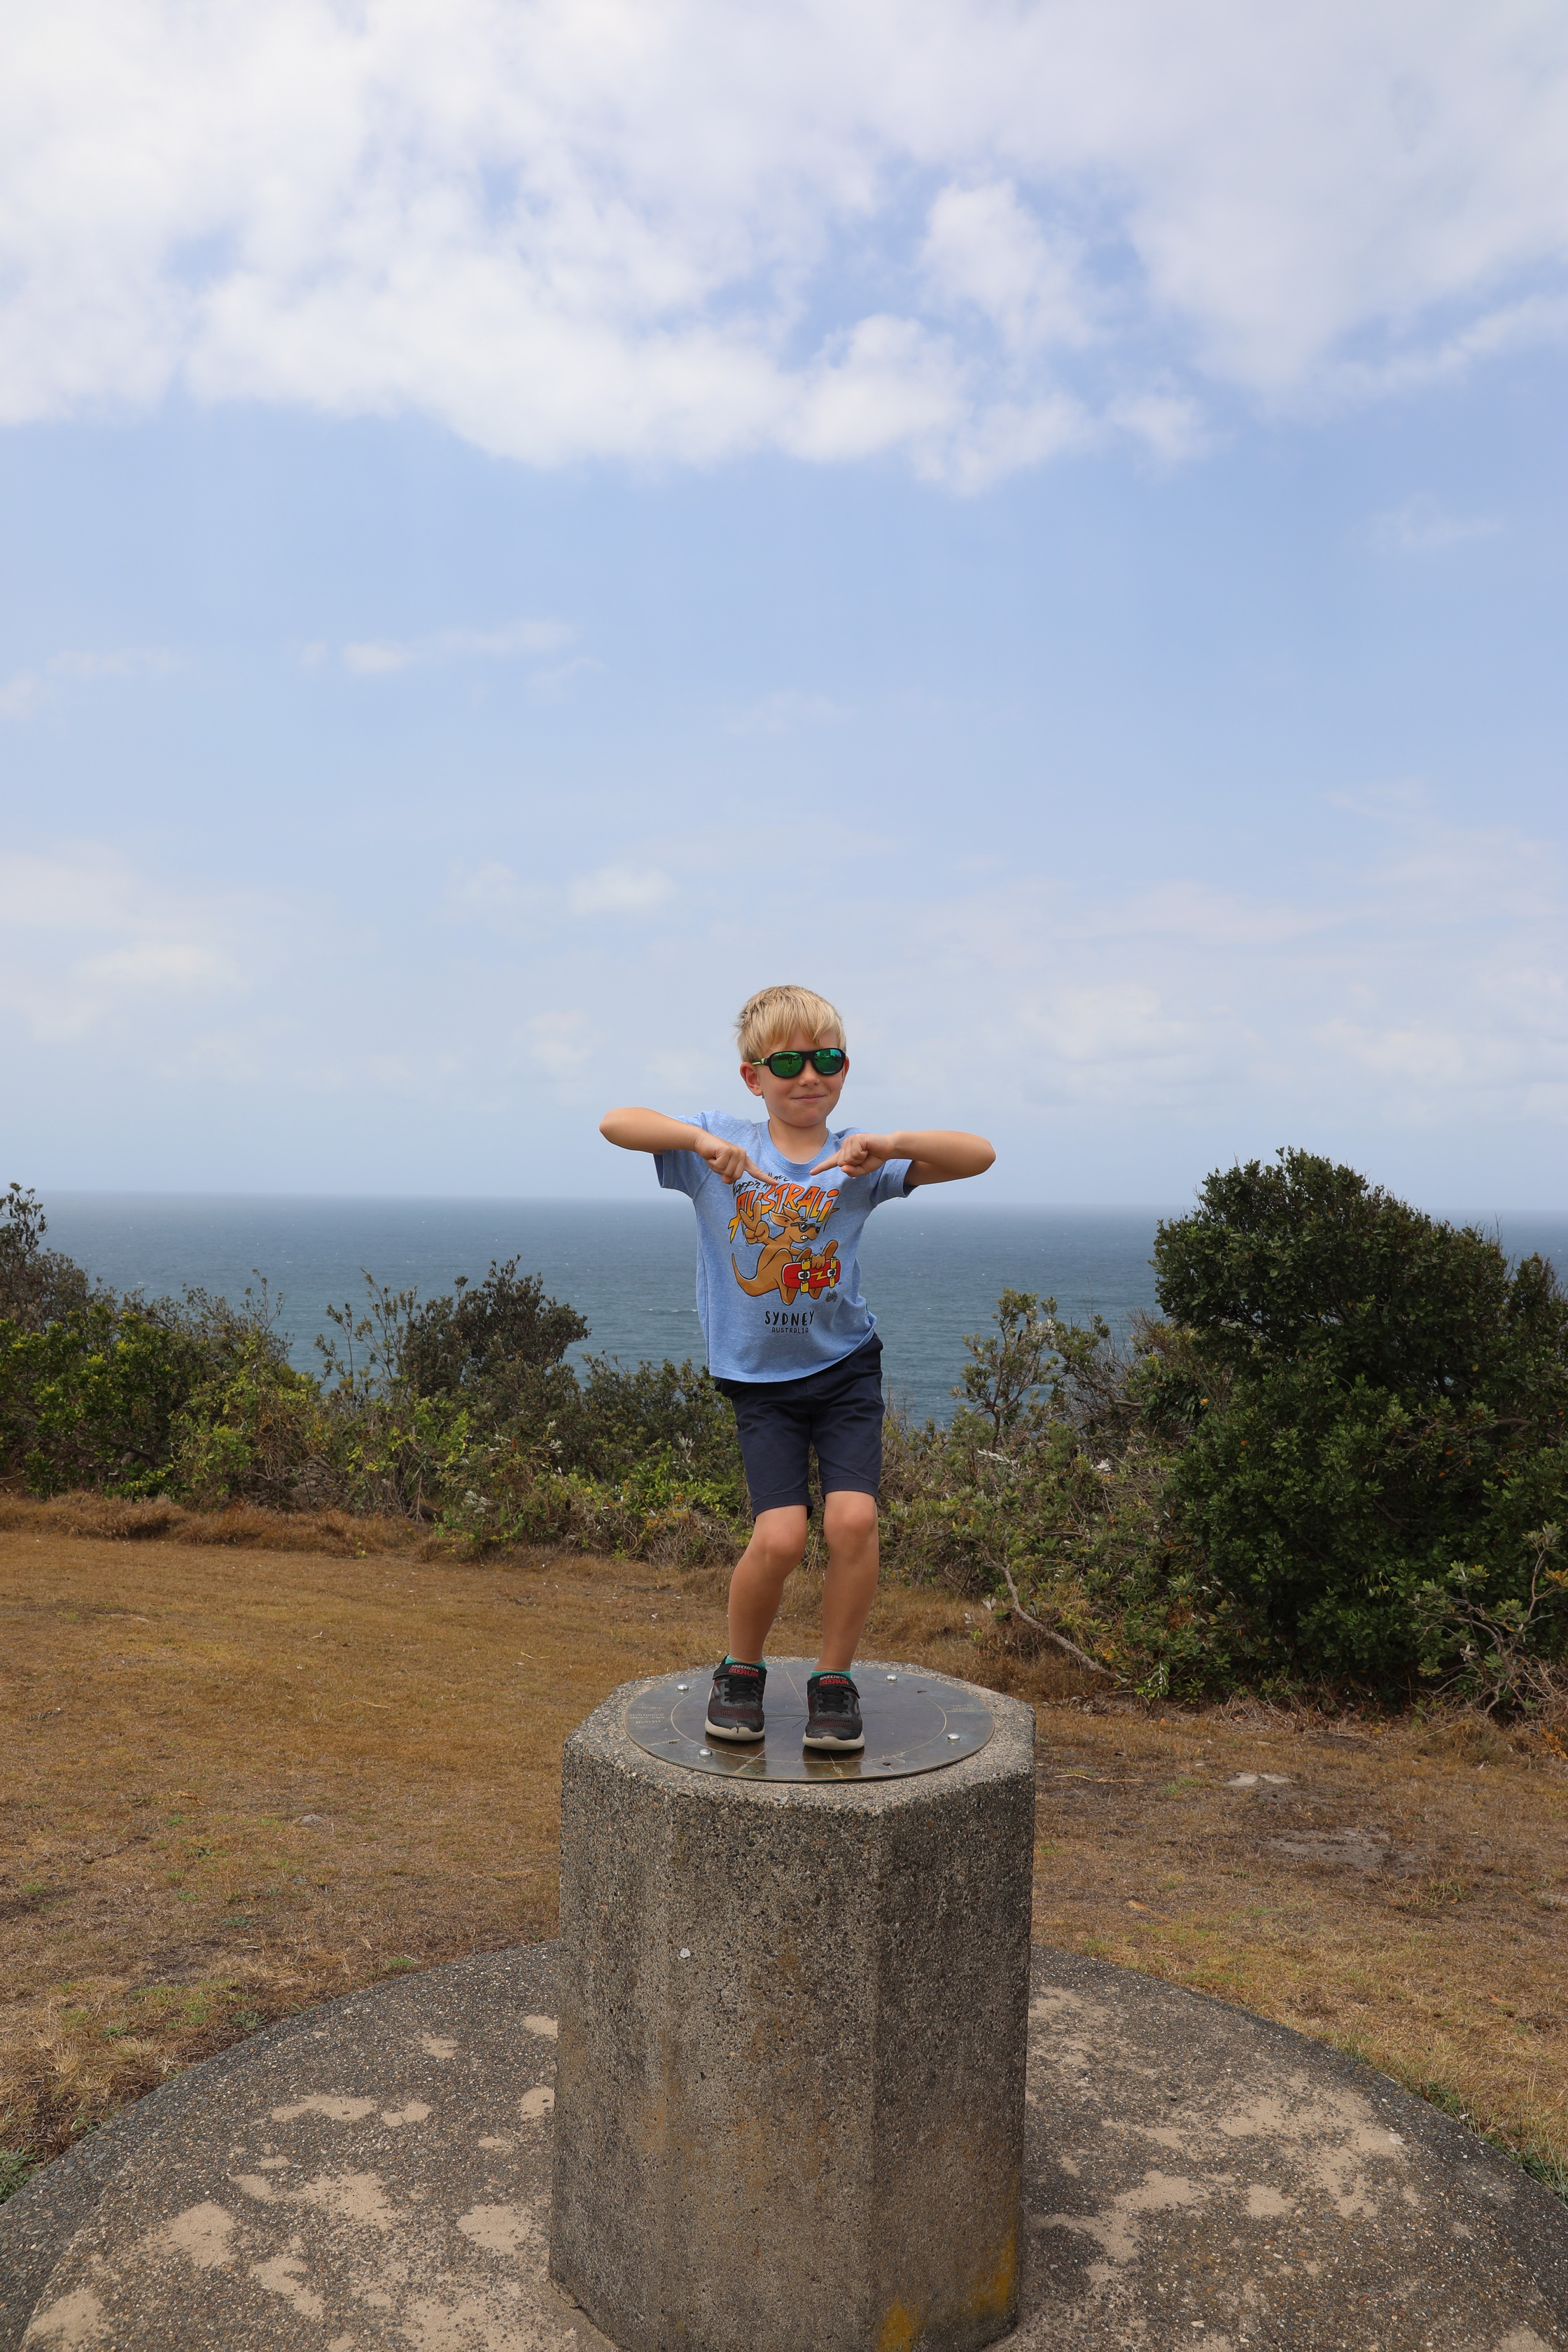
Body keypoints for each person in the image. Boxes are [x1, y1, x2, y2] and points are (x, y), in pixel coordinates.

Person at [599, 983, 995, 1752]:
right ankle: (739, 1670)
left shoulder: (860, 1161)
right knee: (779, 1538)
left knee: (854, 1520)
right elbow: (616, 1123)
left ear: (844, 1069)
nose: (808, 1075)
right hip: (759, 1381)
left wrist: (891, 1142)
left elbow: (977, 1156)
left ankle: (832, 1680)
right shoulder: (718, 1145)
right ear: (753, 1076)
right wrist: (698, 1143)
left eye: (826, 1059)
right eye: (786, 1061)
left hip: (844, 1368)